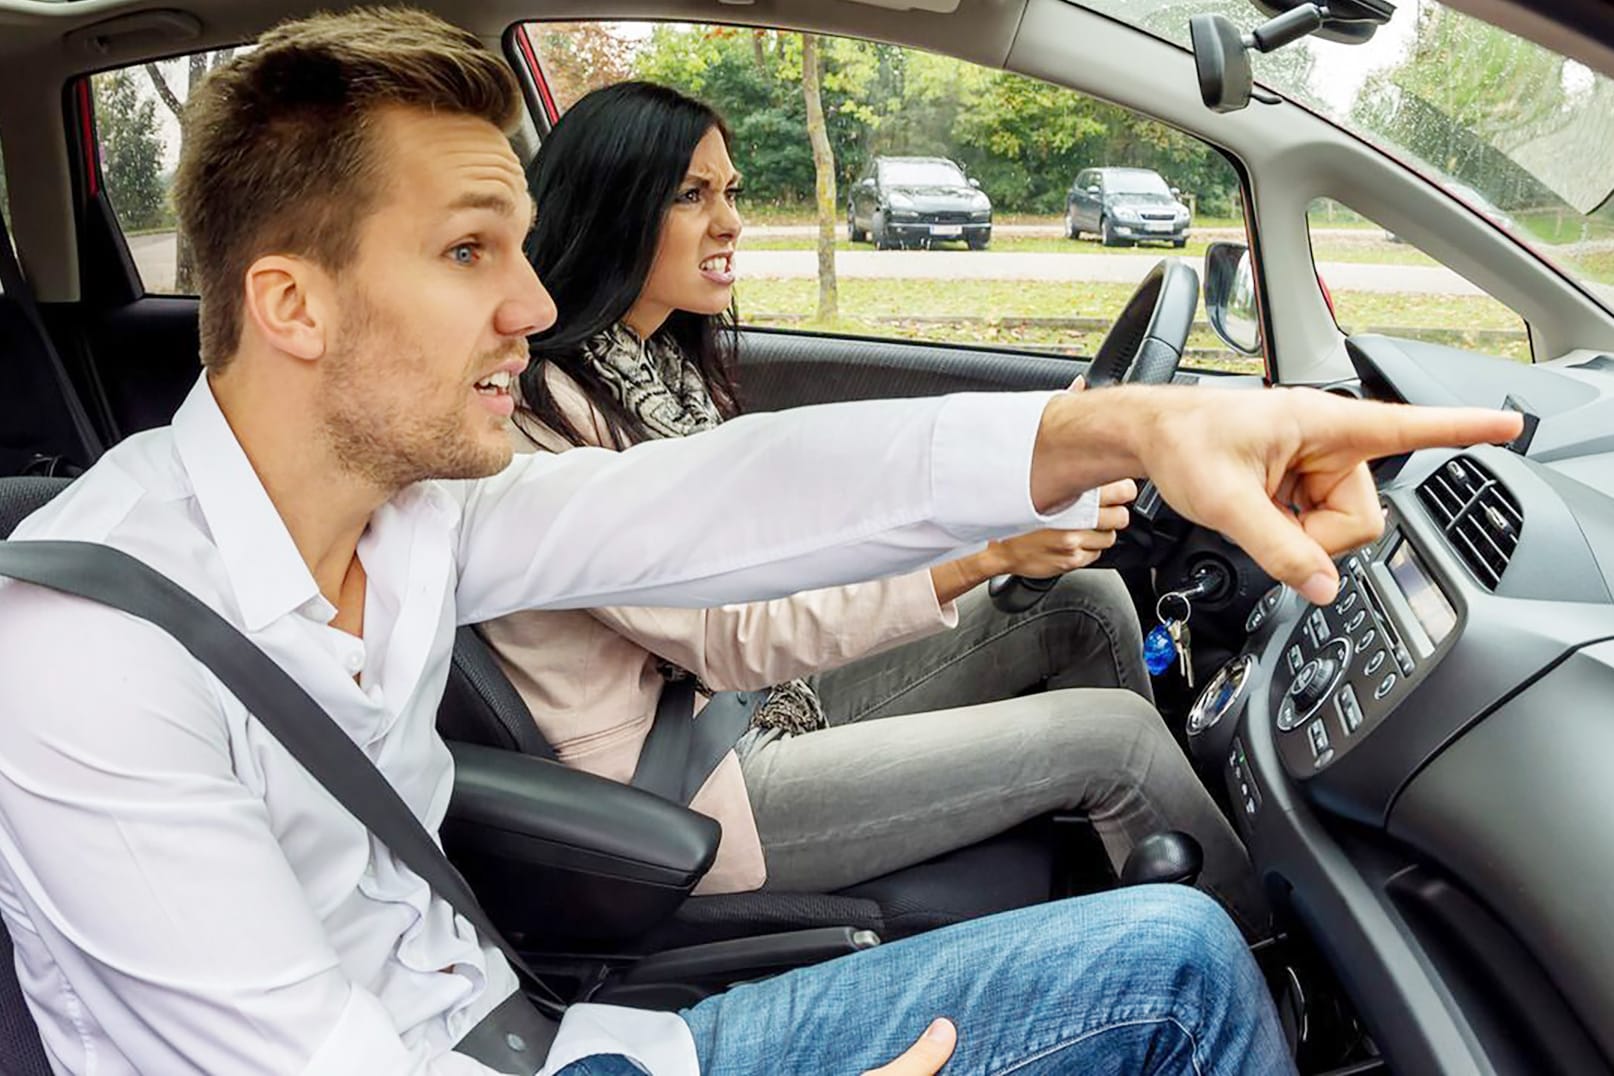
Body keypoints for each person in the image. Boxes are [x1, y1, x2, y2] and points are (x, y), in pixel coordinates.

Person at [0, 9, 1520, 1076]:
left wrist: (1119, 430)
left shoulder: (412, 519)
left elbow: (725, 495)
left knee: (1174, 954)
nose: (532, 310)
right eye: (470, 251)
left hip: (569, 1036)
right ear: (292, 305)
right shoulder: (86, 661)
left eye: (523, 250)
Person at [479, 80, 1264, 931]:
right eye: (691, 195)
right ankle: (1269, 966)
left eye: (731, 191)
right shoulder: (542, 421)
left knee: (1088, 601)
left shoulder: (656, 373)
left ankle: (1116, 887)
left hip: (752, 704)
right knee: (1119, 741)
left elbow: (799, 531)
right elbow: (731, 633)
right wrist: (990, 553)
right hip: (692, 786)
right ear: (612, 211)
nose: (731, 221)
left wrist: (1018, 483)